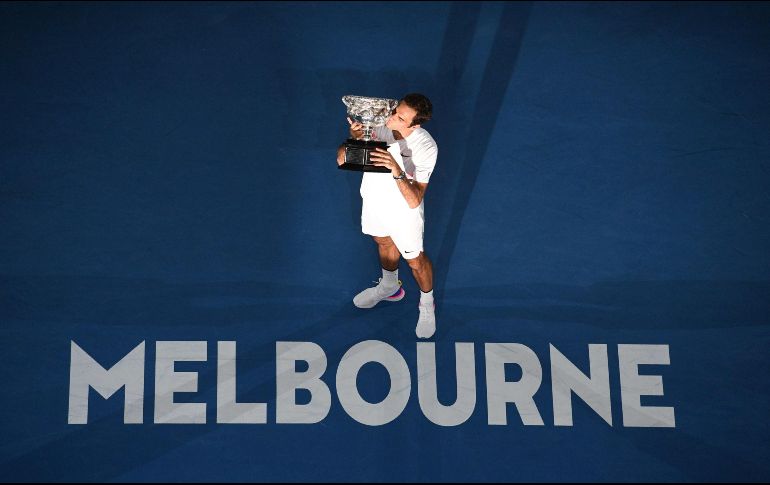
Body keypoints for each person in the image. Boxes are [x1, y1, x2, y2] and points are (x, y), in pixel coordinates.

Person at [336, 93, 438, 339]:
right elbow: (341, 160)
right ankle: (390, 286)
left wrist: (395, 167)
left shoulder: (426, 147)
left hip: (404, 211)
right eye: (395, 111)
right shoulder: (377, 125)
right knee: (383, 242)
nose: (391, 118)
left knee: (415, 261)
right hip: (374, 200)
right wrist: (356, 138)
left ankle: (427, 303)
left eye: (400, 117)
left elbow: (415, 200)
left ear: (415, 125)